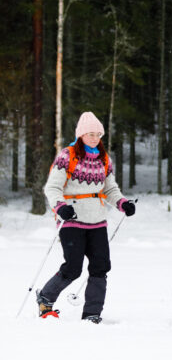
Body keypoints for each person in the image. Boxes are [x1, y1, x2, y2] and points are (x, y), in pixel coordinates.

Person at [39, 111, 136, 322]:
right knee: (73, 268)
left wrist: (123, 203)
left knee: (100, 267)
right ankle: (46, 297)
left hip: (97, 221)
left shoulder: (103, 159)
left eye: (98, 134)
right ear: (81, 135)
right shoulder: (67, 156)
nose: (94, 138)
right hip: (71, 219)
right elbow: (52, 188)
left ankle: (92, 313)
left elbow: (110, 189)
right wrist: (60, 207)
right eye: (90, 134)